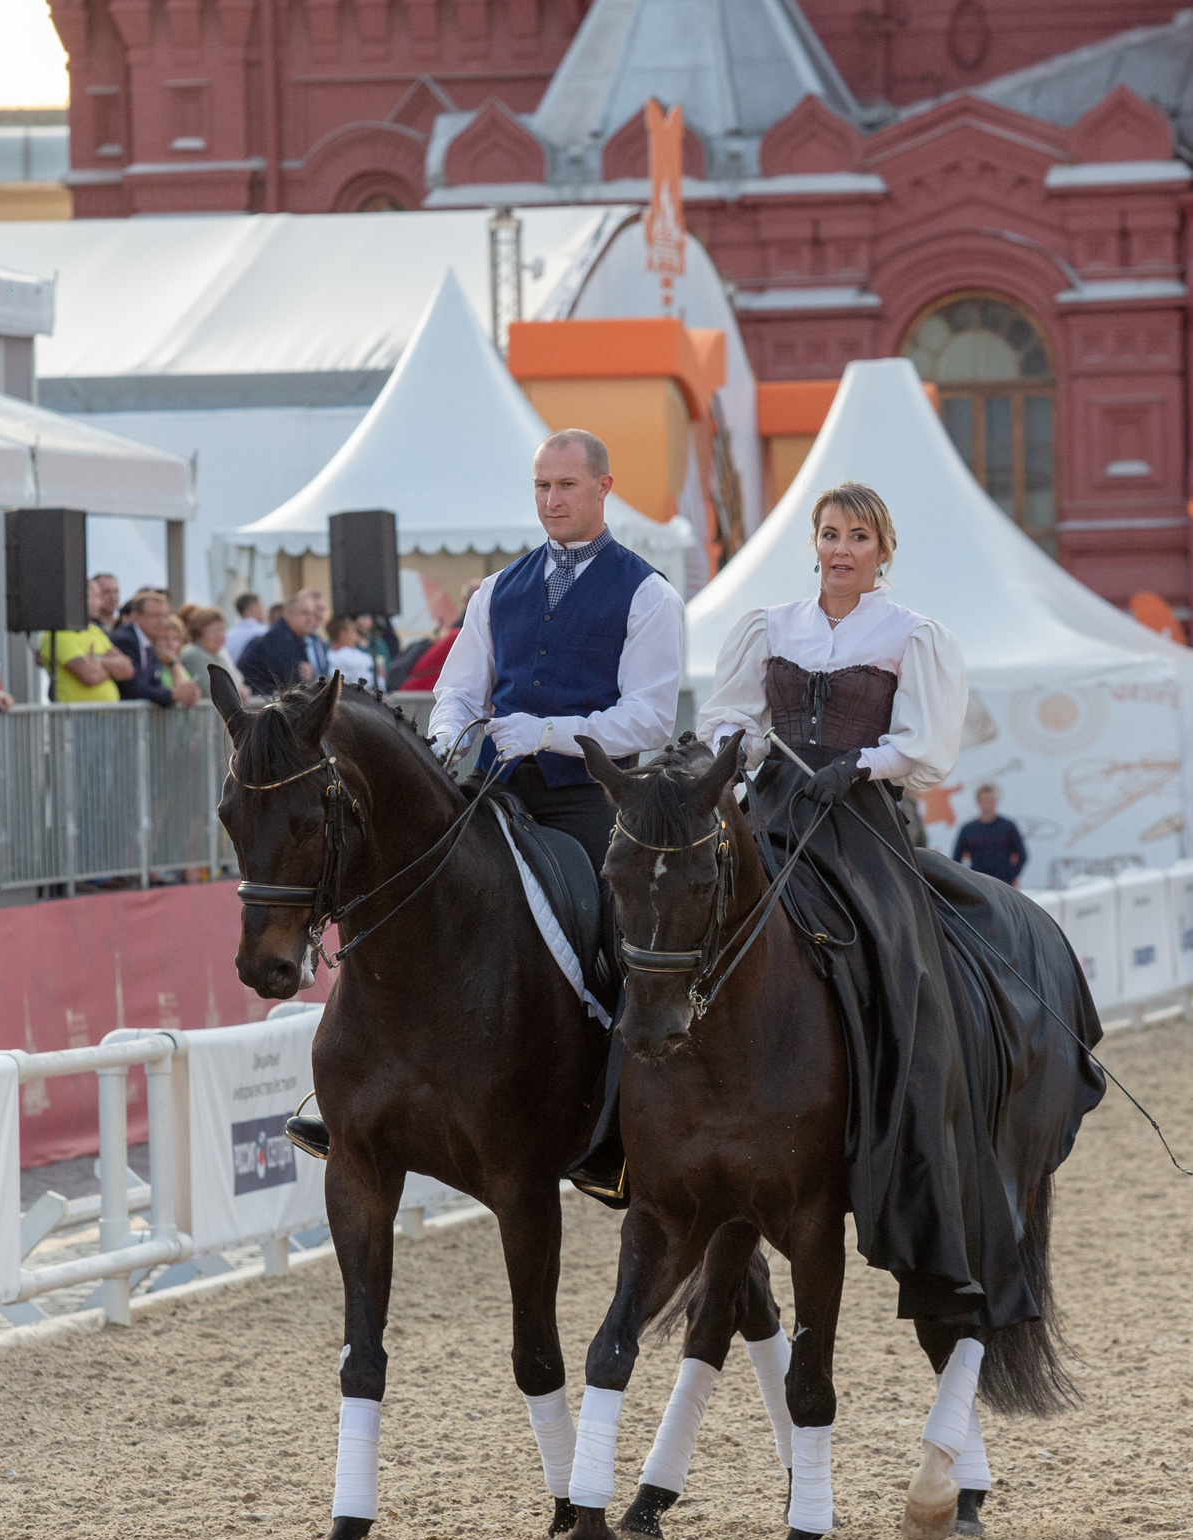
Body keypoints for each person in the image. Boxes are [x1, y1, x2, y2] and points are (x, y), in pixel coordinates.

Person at [696, 478, 1104, 1338]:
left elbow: (929, 748)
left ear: (882, 551)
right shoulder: (769, 627)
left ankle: (914, 1138)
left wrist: (866, 761)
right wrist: (740, 749)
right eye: (830, 533)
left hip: (858, 827)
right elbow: (727, 717)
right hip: (771, 814)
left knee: (901, 961)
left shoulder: (910, 636)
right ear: (814, 542)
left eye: (858, 536)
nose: (841, 548)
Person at [426, 430, 681, 872]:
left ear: (604, 487)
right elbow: (460, 692)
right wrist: (447, 734)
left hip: (588, 795)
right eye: (542, 486)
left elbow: (651, 719)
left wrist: (548, 733)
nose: (551, 501)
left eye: (567, 485)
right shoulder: (495, 589)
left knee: (620, 910)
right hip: (493, 785)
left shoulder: (649, 593)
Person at [36, 572, 131, 704]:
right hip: (78, 719)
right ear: (80, 598)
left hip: (107, 717)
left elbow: (127, 668)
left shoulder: (93, 631)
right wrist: (109, 666)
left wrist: (99, 663)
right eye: (97, 597)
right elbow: (89, 676)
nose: (101, 602)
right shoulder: (59, 635)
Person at [112, 589, 200, 708]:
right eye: (155, 616)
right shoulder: (125, 640)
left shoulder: (149, 641)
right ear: (137, 617)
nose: (162, 622)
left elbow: (153, 683)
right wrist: (172, 694)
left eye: (165, 616)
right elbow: (132, 688)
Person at [239, 588, 328, 698]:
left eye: (312, 614)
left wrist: (311, 674)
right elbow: (291, 684)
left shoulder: (297, 639)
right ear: (288, 613)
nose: (311, 619)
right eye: (305, 613)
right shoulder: (276, 641)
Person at [951, 783, 1027, 886]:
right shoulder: (968, 829)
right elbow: (956, 859)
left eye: (991, 801)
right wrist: (965, 881)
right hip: (978, 884)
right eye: (985, 800)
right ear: (978, 802)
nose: (989, 804)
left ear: (996, 802)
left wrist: (1011, 876)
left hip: (1003, 884)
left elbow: (1022, 855)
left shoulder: (1008, 827)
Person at [175, 604, 239, 699]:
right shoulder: (192, 654)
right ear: (199, 634)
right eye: (213, 631)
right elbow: (211, 690)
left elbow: (238, 685)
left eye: (222, 630)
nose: (219, 635)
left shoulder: (220, 655)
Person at [324, 613, 380, 687]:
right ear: (342, 635)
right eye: (353, 632)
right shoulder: (347, 656)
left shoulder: (326, 655)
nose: (356, 637)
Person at [226, 592, 268, 662]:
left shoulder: (227, 636)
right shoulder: (265, 632)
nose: (263, 611)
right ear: (254, 608)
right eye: (261, 606)